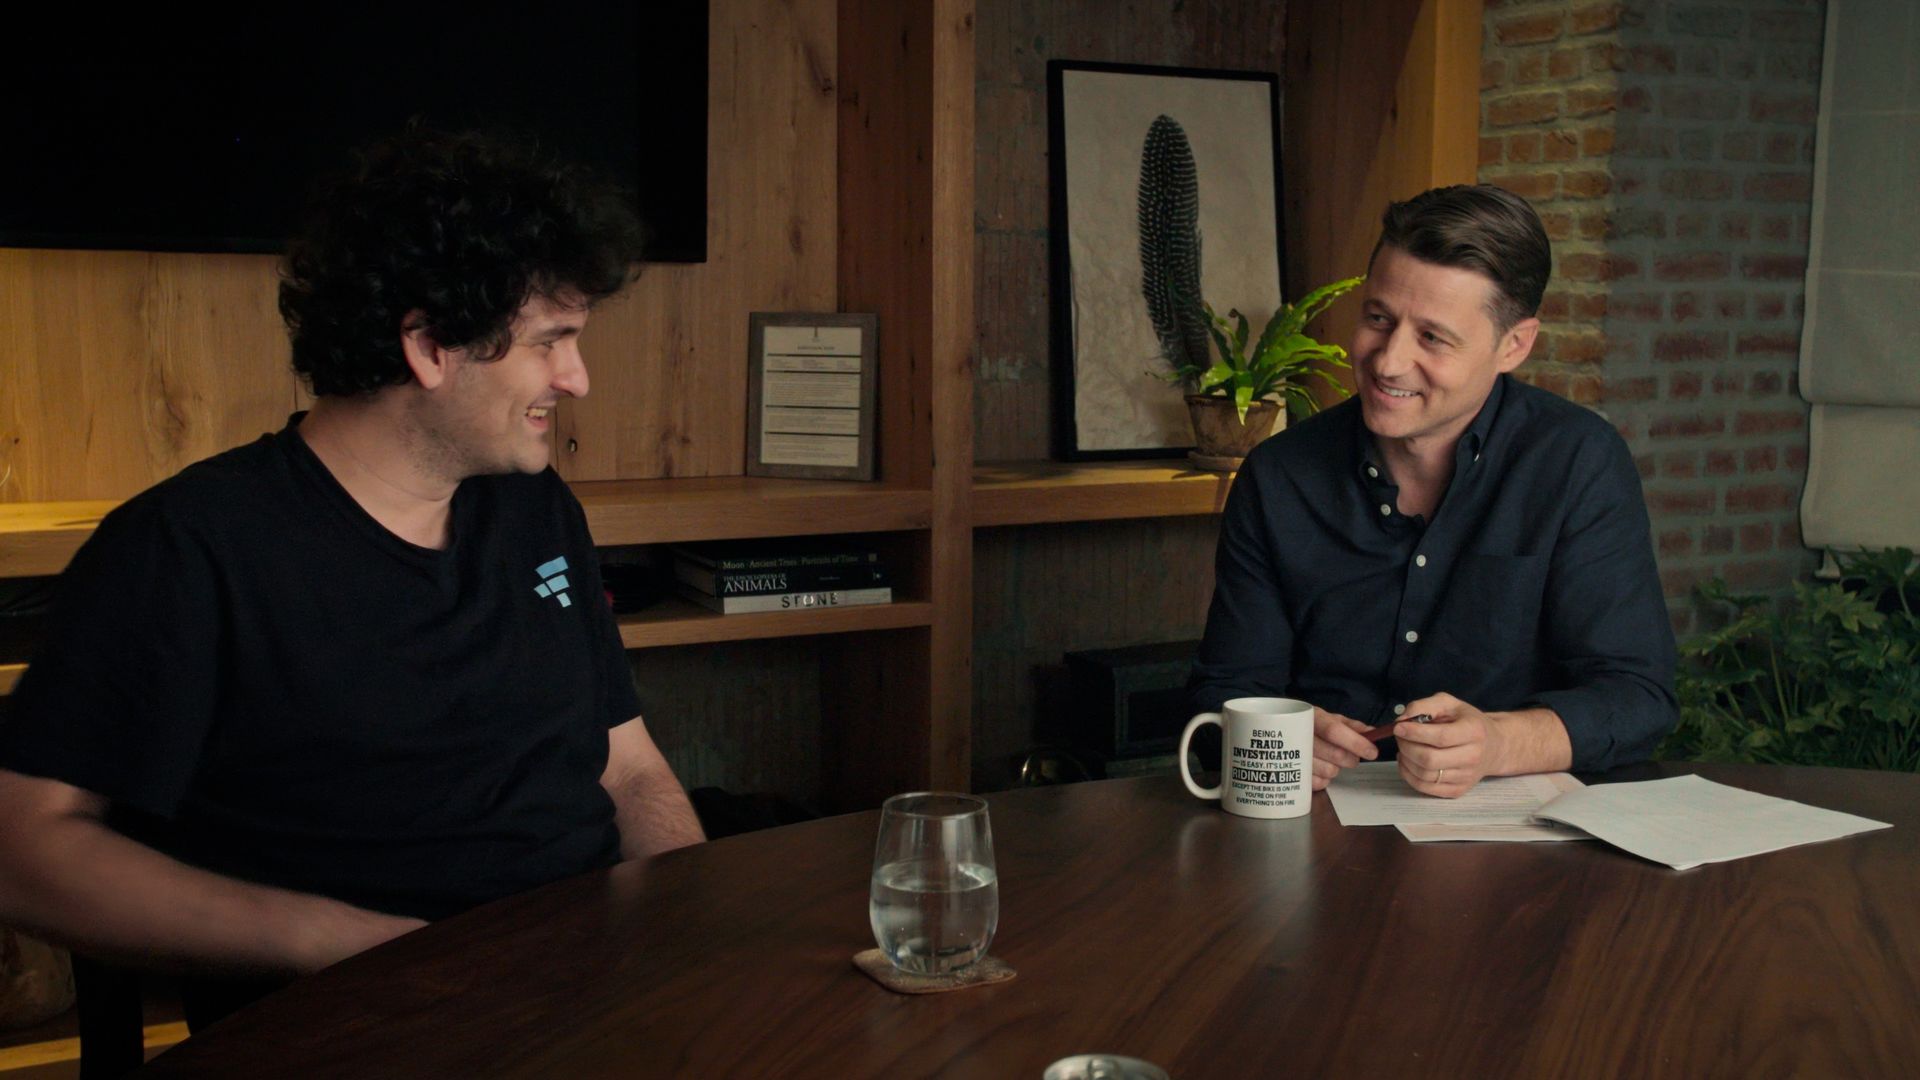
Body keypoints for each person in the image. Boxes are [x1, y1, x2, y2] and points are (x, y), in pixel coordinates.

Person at [0, 129, 704, 1026]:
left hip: (584, 997)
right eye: (552, 341)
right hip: (362, 1023)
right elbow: (21, 849)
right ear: (428, 345)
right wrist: (352, 950)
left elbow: (628, 765)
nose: (578, 379)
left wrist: (684, 927)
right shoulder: (187, 549)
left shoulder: (533, 509)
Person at [1189, 184, 1676, 798]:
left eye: (1433, 338)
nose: (1387, 362)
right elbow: (1221, 690)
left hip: (1516, 851)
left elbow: (1637, 697)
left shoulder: (1577, 463)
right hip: (1314, 827)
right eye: (1378, 319)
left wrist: (1499, 742)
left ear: (1514, 345)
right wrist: (1264, 734)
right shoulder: (1279, 475)